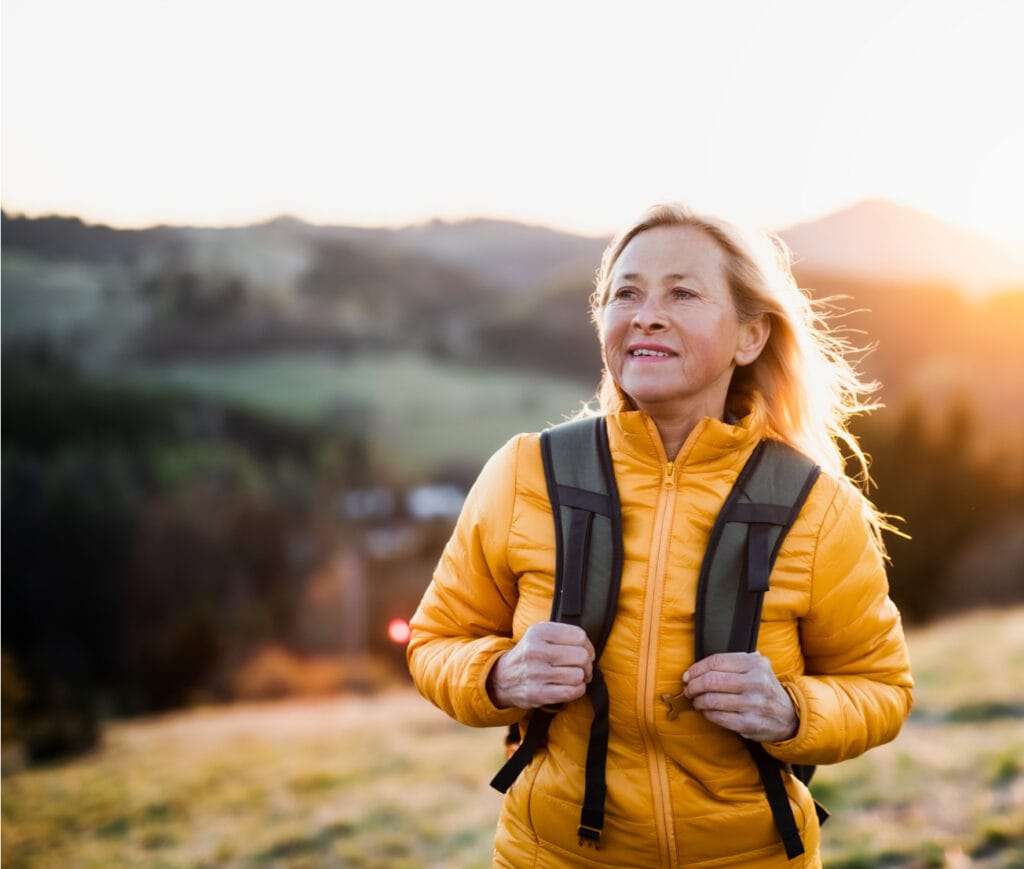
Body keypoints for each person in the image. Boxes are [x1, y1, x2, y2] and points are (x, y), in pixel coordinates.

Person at [407, 203, 914, 867]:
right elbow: (434, 641)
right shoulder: (527, 471)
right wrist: (500, 673)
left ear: (750, 336)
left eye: (682, 292)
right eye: (626, 292)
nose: (646, 312)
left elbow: (880, 687)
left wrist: (791, 710)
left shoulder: (814, 506)